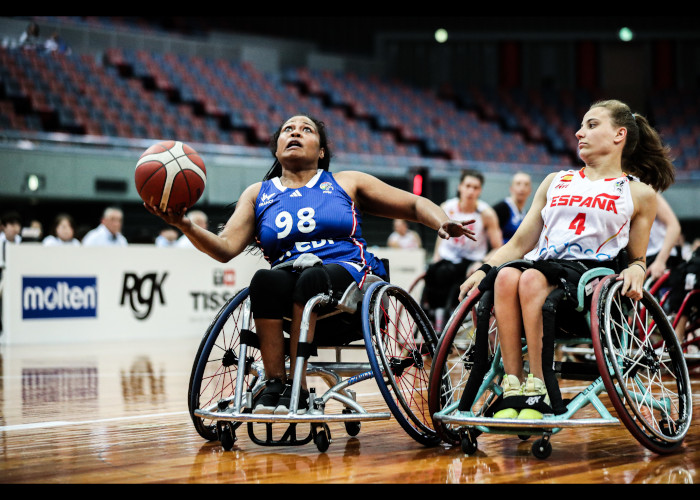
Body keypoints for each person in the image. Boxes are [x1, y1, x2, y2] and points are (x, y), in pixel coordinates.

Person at [145, 114, 475, 415]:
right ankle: (277, 383)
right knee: (263, 280)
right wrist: (184, 225)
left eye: (306, 130)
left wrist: (442, 221)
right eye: (288, 129)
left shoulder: (345, 182)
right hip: (292, 294)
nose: (295, 133)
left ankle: (298, 386)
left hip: (350, 291)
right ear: (276, 149)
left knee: (311, 278)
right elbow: (225, 247)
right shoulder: (258, 193)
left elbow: (414, 204)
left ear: (321, 152)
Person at [459, 99, 675, 420]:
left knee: (531, 278)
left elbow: (637, 257)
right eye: (580, 125)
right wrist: (484, 269)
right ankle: (514, 386)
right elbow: (519, 243)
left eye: (591, 125)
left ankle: (539, 386)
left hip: (589, 288)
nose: (578, 133)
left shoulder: (638, 193)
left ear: (619, 135)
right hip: (545, 273)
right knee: (504, 277)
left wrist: (638, 270)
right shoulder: (555, 180)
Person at [422, 169, 503, 329]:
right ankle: (432, 317)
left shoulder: (487, 214)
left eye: (475, 187)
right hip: (448, 258)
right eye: (468, 186)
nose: (471, 191)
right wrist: (437, 257)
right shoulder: (446, 207)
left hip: (471, 261)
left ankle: (449, 320)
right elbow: (441, 238)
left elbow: (498, 247)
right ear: (460, 187)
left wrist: (481, 262)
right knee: (433, 271)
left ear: (480, 190)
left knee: (457, 280)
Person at [645, 193, 682, 281]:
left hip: (659, 255)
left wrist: (660, 261)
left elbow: (674, 226)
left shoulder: (648, 191)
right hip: (641, 258)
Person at [492, 171, 532, 243]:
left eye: (526, 185)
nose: (522, 188)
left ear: (530, 191)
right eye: (518, 184)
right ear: (511, 188)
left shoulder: (526, 214)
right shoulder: (501, 209)